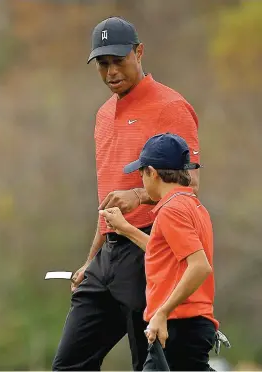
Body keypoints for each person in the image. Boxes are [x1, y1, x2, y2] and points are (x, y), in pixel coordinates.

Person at [52, 17, 200, 371]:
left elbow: (191, 187)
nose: (111, 71)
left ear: (139, 52)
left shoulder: (171, 107)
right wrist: (91, 259)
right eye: (103, 64)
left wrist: (140, 195)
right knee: (69, 364)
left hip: (152, 248)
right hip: (110, 253)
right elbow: (107, 201)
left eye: (119, 60)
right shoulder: (103, 115)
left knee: (148, 366)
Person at [100, 133, 219, 371]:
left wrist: (162, 312)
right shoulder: (191, 205)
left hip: (179, 325)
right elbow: (163, 253)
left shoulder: (172, 211)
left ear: (152, 173)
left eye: (141, 173)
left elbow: (200, 266)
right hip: (188, 325)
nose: (141, 180)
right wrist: (126, 229)